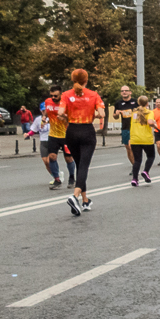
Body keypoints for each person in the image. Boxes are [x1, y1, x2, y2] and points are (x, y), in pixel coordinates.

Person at [62, 69, 104, 216]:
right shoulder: (93, 95)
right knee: (84, 166)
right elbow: (102, 113)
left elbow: (61, 113)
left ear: (73, 80)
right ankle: (75, 196)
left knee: (79, 165)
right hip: (87, 131)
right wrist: (93, 113)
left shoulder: (66, 95)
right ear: (86, 80)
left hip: (71, 131)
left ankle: (85, 200)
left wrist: (70, 114)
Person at [43, 86, 76, 190]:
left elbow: (73, 118)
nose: (53, 97)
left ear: (61, 94)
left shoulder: (67, 103)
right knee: (52, 157)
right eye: (51, 95)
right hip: (53, 134)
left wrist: (65, 117)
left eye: (55, 96)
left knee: (68, 158)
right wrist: (44, 117)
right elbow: (46, 111)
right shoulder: (48, 101)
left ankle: (71, 177)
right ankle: (57, 179)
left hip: (66, 135)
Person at [25, 112, 62, 188]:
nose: (44, 112)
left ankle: (57, 176)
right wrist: (28, 134)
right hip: (43, 141)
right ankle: (54, 176)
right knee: (45, 161)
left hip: (52, 140)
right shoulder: (38, 119)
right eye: (42, 110)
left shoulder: (53, 117)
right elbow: (34, 130)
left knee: (50, 160)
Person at [129, 95, 157, 187]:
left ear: (138, 103)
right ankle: (145, 171)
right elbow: (150, 122)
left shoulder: (134, 113)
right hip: (146, 139)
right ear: (147, 103)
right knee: (151, 156)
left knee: (137, 160)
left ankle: (134, 179)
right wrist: (156, 126)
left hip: (135, 139)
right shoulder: (149, 112)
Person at [112, 85, 137, 175]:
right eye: (122, 91)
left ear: (130, 92)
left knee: (131, 146)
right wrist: (116, 114)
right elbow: (115, 117)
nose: (124, 92)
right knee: (128, 148)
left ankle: (136, 166)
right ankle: (134, 165)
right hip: (125, 128)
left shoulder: (135, 102)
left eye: (126, 90)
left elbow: (142, 112)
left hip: (135, 127)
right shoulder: (118, 103)